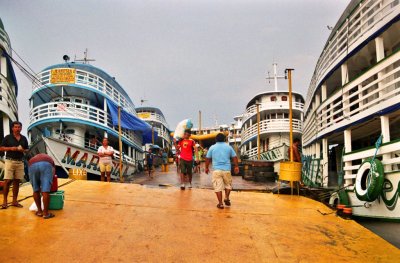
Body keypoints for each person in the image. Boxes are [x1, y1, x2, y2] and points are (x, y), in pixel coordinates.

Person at [205, 133, 239, 209]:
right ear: (224, 139)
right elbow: (234, 157)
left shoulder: (212, 147)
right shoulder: (228, 147)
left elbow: (207, 158)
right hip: (227, 170)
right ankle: (226, 198)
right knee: (228, 185)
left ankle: (220, 204)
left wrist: (206, 168)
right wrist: (236, 166)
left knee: (218, 187)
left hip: (217, 170)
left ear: (216, 139)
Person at [0, 121, 29, 209]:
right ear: (12, 128)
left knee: (17, 181)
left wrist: (22, 150)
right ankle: (4, 201)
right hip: (10, 161)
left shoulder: (24, 138)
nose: (17, 129)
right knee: (7, 181)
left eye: (19, 127)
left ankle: (14, 201)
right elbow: (1, 148)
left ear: (21, 128)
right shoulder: (8, 137)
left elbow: (27, 149)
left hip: (20, 162)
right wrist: (11, 148)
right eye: (15, 127)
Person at [28, 153, 56, 219]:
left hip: (32, 165)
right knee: (45, 191)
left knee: (35, 189)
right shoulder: (50, 159)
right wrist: (48, 185)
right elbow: (53, 173)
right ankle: (46, 213)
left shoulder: (34, 158)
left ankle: (39, 211)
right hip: (46, 165)